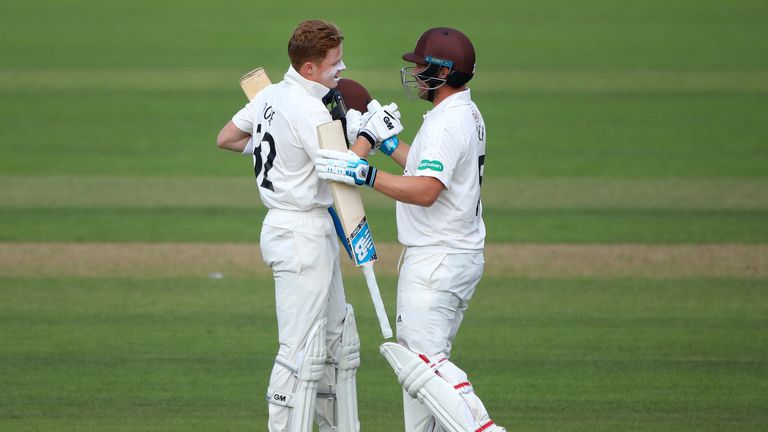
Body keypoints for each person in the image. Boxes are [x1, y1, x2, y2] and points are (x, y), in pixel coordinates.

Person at [315, 27, 505, 432]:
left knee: (423, 365)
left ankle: (483, 429)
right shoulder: (462, 112)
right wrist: (387, 143)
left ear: (441, 73)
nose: (415, 75)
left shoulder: (445, 125)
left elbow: (425, 190)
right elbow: (425, 169)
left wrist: (364, 173)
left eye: (421, 68)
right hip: (455, 254)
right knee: (423, 369)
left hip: (438, 257)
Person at [216, 20, 374, 432]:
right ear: (308, 69)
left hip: (300, 229)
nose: (342, 69)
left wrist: (281, 151)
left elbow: (228, 138)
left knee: (338, 340)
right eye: (334, 63)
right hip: (300, 232)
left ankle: (335, 425)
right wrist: (369, 138)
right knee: (299, 349)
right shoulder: (307, 109)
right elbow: (341, 173)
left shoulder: (269, 95)